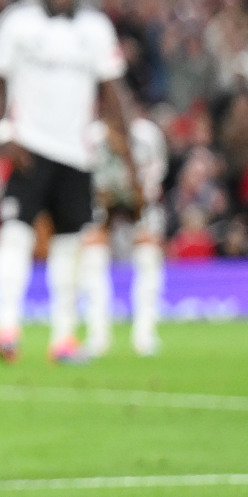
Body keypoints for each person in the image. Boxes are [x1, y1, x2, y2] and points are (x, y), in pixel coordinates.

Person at [0, 0, 129, 364]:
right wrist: (2, 133)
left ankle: (62, 338)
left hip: (75, 152)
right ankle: (6, 329)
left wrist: (126, 144)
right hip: (28, 146)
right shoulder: (17, 22)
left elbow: (112, 88)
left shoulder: (95, 28)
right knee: (15, 234)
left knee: (69, 246)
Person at [79, 108, 168, 357]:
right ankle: (97, 337)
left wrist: (128, 169)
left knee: (149, 255)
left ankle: (145, 335)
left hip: (139, 202)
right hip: (101, 203)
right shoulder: (92, 138)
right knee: (92, 257)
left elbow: (148, 191)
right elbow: (90, 189)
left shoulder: (148, 137)